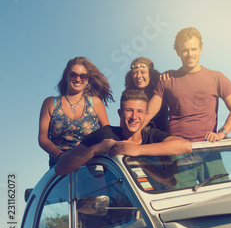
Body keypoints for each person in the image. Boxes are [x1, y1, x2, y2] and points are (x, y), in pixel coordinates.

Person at [55, 89, 192, 176]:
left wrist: (137, 150)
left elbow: (185, 146)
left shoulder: (152, 135)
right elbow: (60, 168)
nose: (134, 117)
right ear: (120, 113)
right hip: (113, 209)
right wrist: (94, 150)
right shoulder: (104, 134)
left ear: (146, 115)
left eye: (140, 112)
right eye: (129, 110)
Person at [147, 27, 231, 142]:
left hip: (209, 147)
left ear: (200, 49)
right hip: (175, 148)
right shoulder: (166, 80)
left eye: (194, 49)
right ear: (178, 52)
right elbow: (148, 114)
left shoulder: (217, 77)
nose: (190, 54)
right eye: (185, 50)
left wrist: (222, 133)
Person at [38, 56, 114, 167]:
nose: (78, 79)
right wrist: (61, 156)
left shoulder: (95, 103)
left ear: (88, 80)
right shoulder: (50, 103)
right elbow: (43, 138)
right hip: (60, 167)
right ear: (66, 76)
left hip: (92, 165)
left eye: (83, 76)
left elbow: (107, 134)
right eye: (73, 74)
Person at [124, 57, 168, 131]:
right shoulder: (128, 95)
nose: (138, 76)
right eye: (135, 73)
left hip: (158, 136)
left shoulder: (160, 91)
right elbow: (124, 122)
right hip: (136, 136)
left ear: (150, 74)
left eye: (142, 72)